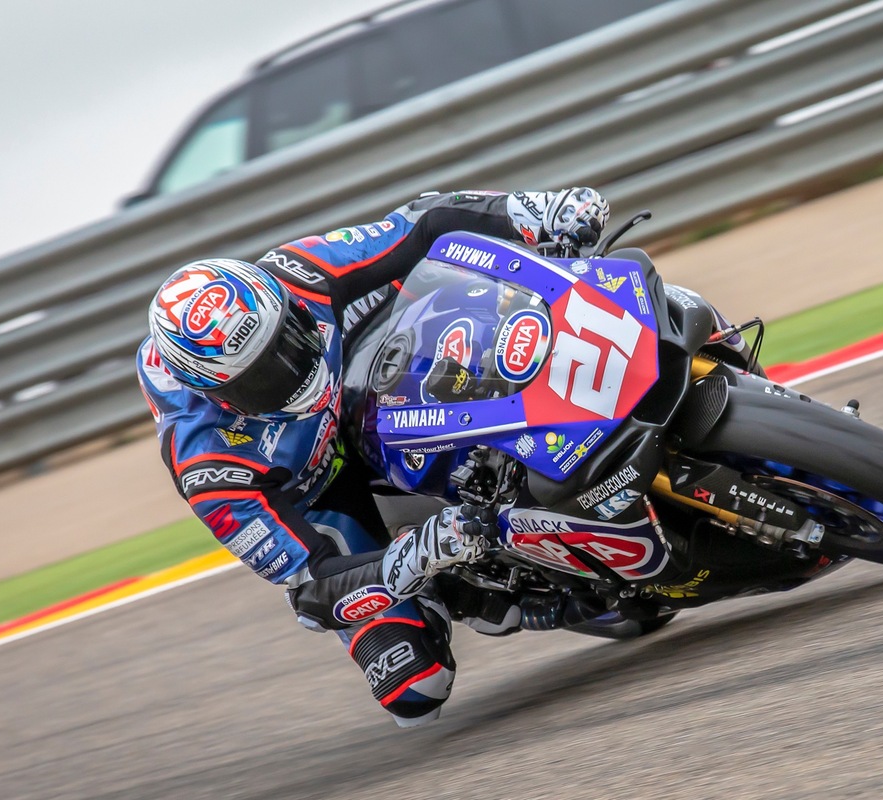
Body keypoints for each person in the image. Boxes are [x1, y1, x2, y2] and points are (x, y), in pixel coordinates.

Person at [136, 188, 609, 727]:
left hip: (371, 367)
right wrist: (417, 558)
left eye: (287, 339)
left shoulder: (296, 273)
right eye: (261, 378)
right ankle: (466, 591)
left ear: (284, 305)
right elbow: (312, 588)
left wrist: (533, 210)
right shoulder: (209, 465)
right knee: (415, 689)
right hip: (323, 492)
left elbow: (419, 222)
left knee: (453, 278)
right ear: (216, 396)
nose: (291, 369)